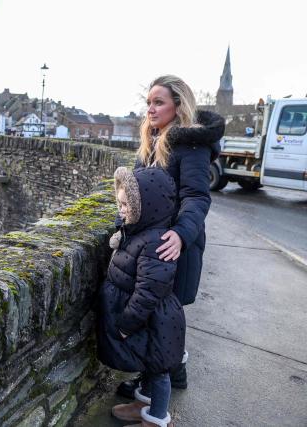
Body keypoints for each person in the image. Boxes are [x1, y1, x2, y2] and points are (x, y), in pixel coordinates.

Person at [115, 75, 225, 398]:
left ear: (178, 107)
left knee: (162, 317)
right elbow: (136, 194)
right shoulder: (151, 140)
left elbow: (197, 198)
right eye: (149, 102)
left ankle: (157, 387)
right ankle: (169, 374)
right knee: (161, 317)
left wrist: (180, 234)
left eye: (158, 102)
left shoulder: (189, 145)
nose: (150, 108)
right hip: (152, 246)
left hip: (175, 247)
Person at [97, 166, 183, 427]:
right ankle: (143, 404)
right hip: (149, 320)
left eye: (126, 205)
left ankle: (156, 420)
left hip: (154, 320)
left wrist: (126, 324)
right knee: (148, 364)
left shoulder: (156, 243)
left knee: (158, 370)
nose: (120, 210)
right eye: (119, 203)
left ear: (146, 207)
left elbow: (148, 293)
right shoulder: (138, 232)